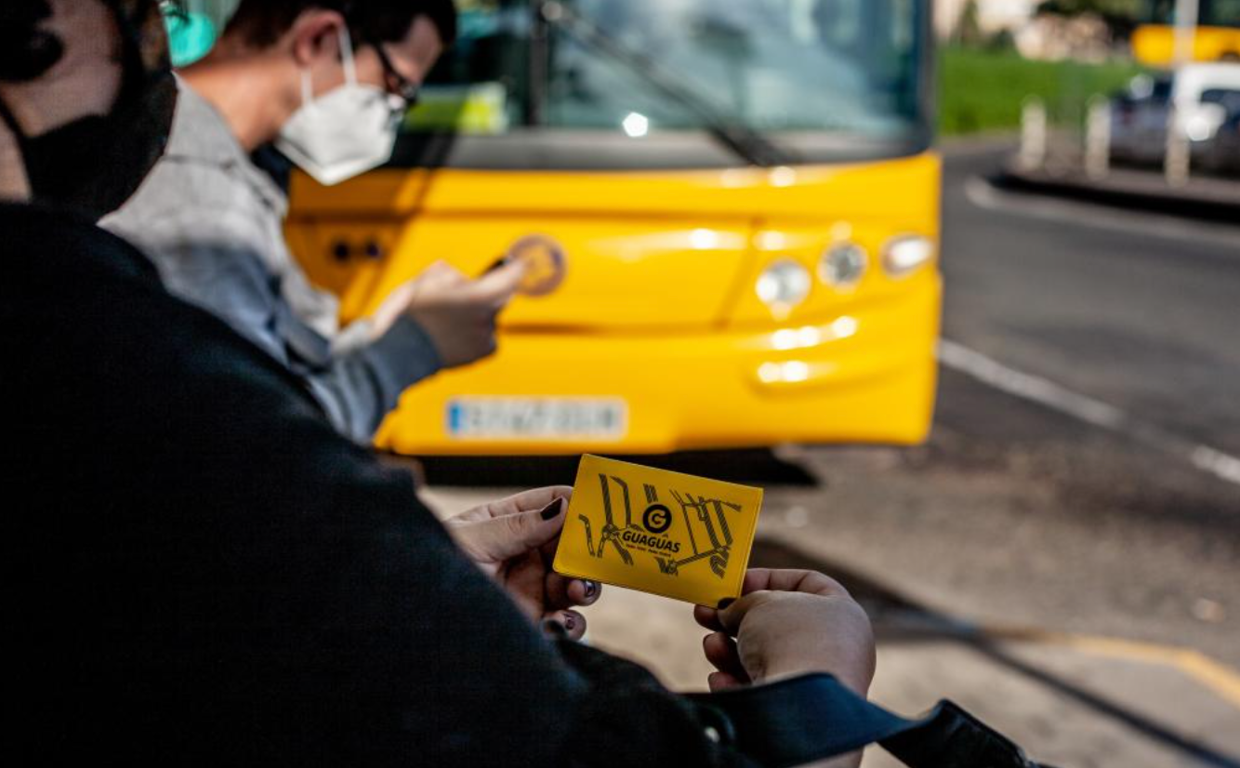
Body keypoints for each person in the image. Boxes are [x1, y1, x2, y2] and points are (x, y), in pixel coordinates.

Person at [0, 3, 1048, 766]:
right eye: (133, 17)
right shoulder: (104, 298)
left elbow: (193, 545)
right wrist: (815, 705)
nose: (155, 57)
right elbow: (227, 489)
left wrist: (415, 566)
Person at [103, 0, 525, 443]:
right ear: (317, 38)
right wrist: (416, 343)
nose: (391, 115)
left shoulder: (216, 163)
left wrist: (383, 329)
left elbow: (264, 372)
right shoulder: (200, 200)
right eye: (395, 86)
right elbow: (258, 446)